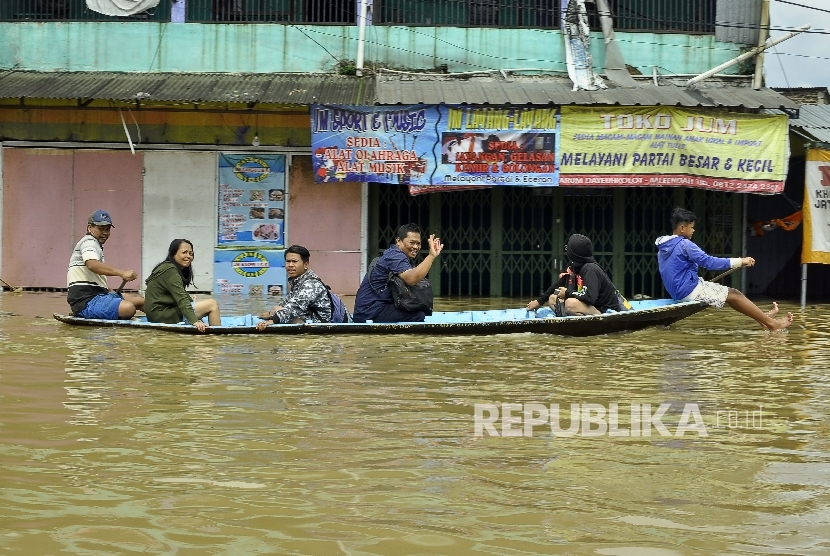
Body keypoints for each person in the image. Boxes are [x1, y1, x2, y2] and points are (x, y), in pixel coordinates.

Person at [655, 207, 793, 332]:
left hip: (677, 291)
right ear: (682, 228)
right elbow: (709, 262)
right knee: (735, 294)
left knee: (731, 297)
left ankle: (763, 319)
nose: (693, 230)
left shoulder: (663, 247)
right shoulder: (685, 244)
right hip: (688, 290)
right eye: (692, 227)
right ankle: (772, 325)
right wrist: (740, 261)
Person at [353, 223, 444, 323]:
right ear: (398, 241)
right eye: (412, 242)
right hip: (370, 312)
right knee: (418, 315)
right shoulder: (395, 256)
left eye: (418, 243)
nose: (416, 247)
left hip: (372, 309)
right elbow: (412, 279)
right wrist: (431, 256)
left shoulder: (395, 254)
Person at [66, 209, 144, 319]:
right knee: (128, 308)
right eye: (101, 229)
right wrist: (122, 273)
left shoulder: (95, 245)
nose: (105, 233)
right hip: (86, 301)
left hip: (100, 296)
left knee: (140, 301)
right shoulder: (89, 242)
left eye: (107, 230)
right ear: (90, 228)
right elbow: (92, 265)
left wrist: (108, 290)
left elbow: (93, 277)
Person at [526, 233, 624, 316]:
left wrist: (567, 293)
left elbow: (590, 297)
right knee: (552, 298)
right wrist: (539, 302)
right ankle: (567, 320)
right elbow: (558, 285)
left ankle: (592, 322)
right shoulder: (575, 267)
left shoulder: (590, 270)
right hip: (589, 306)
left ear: (574, 253)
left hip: (604, 309)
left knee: (570, 304)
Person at [144, 239, 221, 332]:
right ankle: (217, 336)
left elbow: (181, 293)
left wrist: (191, 301)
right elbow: (181, 299)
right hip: (161, 316)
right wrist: (195, 321)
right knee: (212, 304)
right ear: (173, 253)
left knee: (200, 303)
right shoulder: (170, 271)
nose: (188, 256)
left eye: (191, 253)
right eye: (184, 252)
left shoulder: (168, 267)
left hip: (158, 314)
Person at [256, 245, 332, 330]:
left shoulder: (311, 284)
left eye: (294, 261)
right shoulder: (298, 282)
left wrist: (273, 320)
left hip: (322, 323)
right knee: (276, 309)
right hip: (309, 317)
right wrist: (271, 313)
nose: (290, 265)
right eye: (288, 261)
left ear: (305, 265)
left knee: (281, 312)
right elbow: (287, 303)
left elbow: (295, 307)